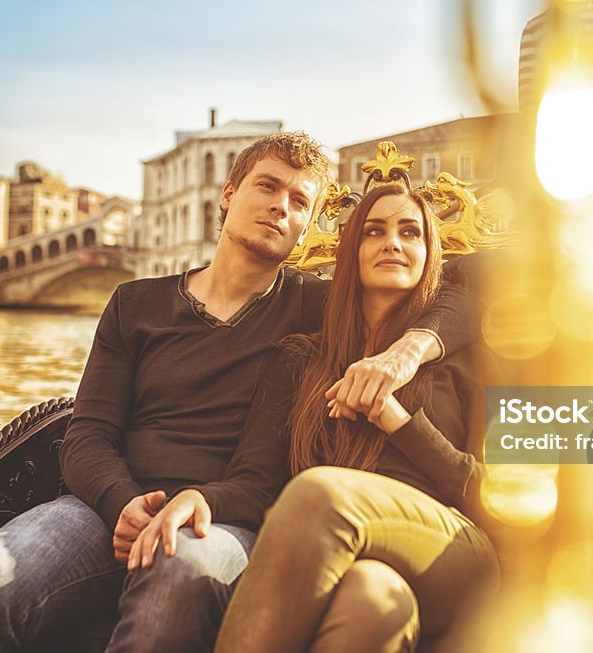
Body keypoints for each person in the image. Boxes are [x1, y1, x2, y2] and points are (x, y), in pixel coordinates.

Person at [0, 133, 475, 652]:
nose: (281, 206)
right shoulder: (134, 302)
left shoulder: (316, 308)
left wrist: (414, 345)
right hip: (104, 510)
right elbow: (89, 434)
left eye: (300, 201)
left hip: (221, 519)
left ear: (307, 229)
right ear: (227, 195)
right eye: (268, 187)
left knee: (176, 573)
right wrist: (121, 502)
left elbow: (463, 291)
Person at [209, 183, 498, 652]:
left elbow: (497, 496)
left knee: (320, 491)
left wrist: (396, 419)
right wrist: (197, 501)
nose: (393, 243)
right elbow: (254, 480)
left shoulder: (469, 356)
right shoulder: (300, 360)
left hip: (453, 550)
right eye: (374, 232)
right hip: (353, 560)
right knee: (370, 600)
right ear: (351, 252)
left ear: (431, 254)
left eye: (411, 233)